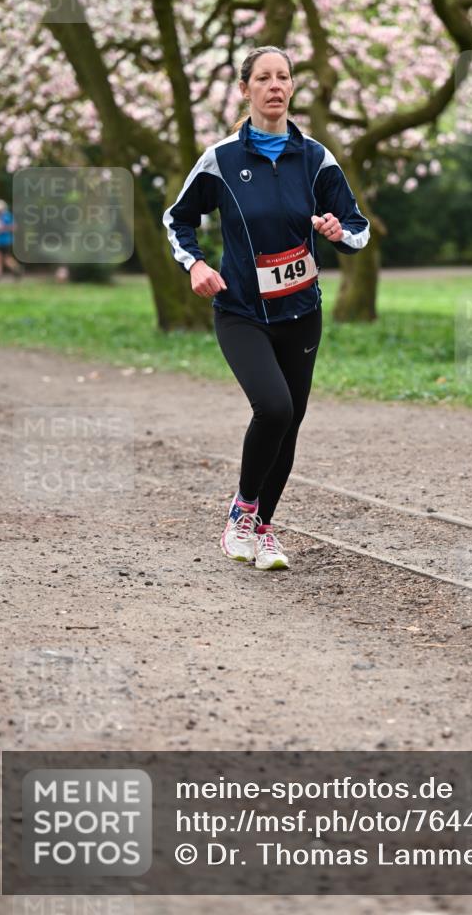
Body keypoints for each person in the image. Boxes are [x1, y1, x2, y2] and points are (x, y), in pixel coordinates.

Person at [163, 45, 370, 570]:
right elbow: (177, 219)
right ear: (245, 89)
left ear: (293, 88)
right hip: (241, 312)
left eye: (283, 77)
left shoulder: (316, 157)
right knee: (273, 407)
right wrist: (197, 266)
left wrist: (336, 231)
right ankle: (241, 514)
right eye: (263, 78)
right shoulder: (223, 159)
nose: (275, 86)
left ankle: (266, 529)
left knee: (291, 420)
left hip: (302, 310)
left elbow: (358, 228)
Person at [0, 200, 22, 281]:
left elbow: (14, 227)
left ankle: (17, 268)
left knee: (6, 259)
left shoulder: (8, 216)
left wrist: (3, 228)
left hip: (6, 241)